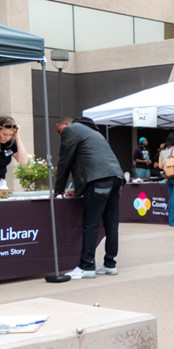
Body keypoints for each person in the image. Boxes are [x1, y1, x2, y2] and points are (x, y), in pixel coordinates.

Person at [54, 116, 125, 279]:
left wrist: (58, 189)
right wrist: (78, 189)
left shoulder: (71, 130)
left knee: (91, 224)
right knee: (111, 224)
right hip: (116, 178)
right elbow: (88, 161)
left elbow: (65, 161)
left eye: (59, 131)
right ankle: (110, 265)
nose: (61, 135)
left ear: (66, 124)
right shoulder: (94, 132)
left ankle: (86, 267)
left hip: (99, 180)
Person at [0, 116, 28, 190]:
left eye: (10, 135)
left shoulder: (10, 143)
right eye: (4, 134)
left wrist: (17, 137)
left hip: (1, 182)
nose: (7, 138)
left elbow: (23, 161)